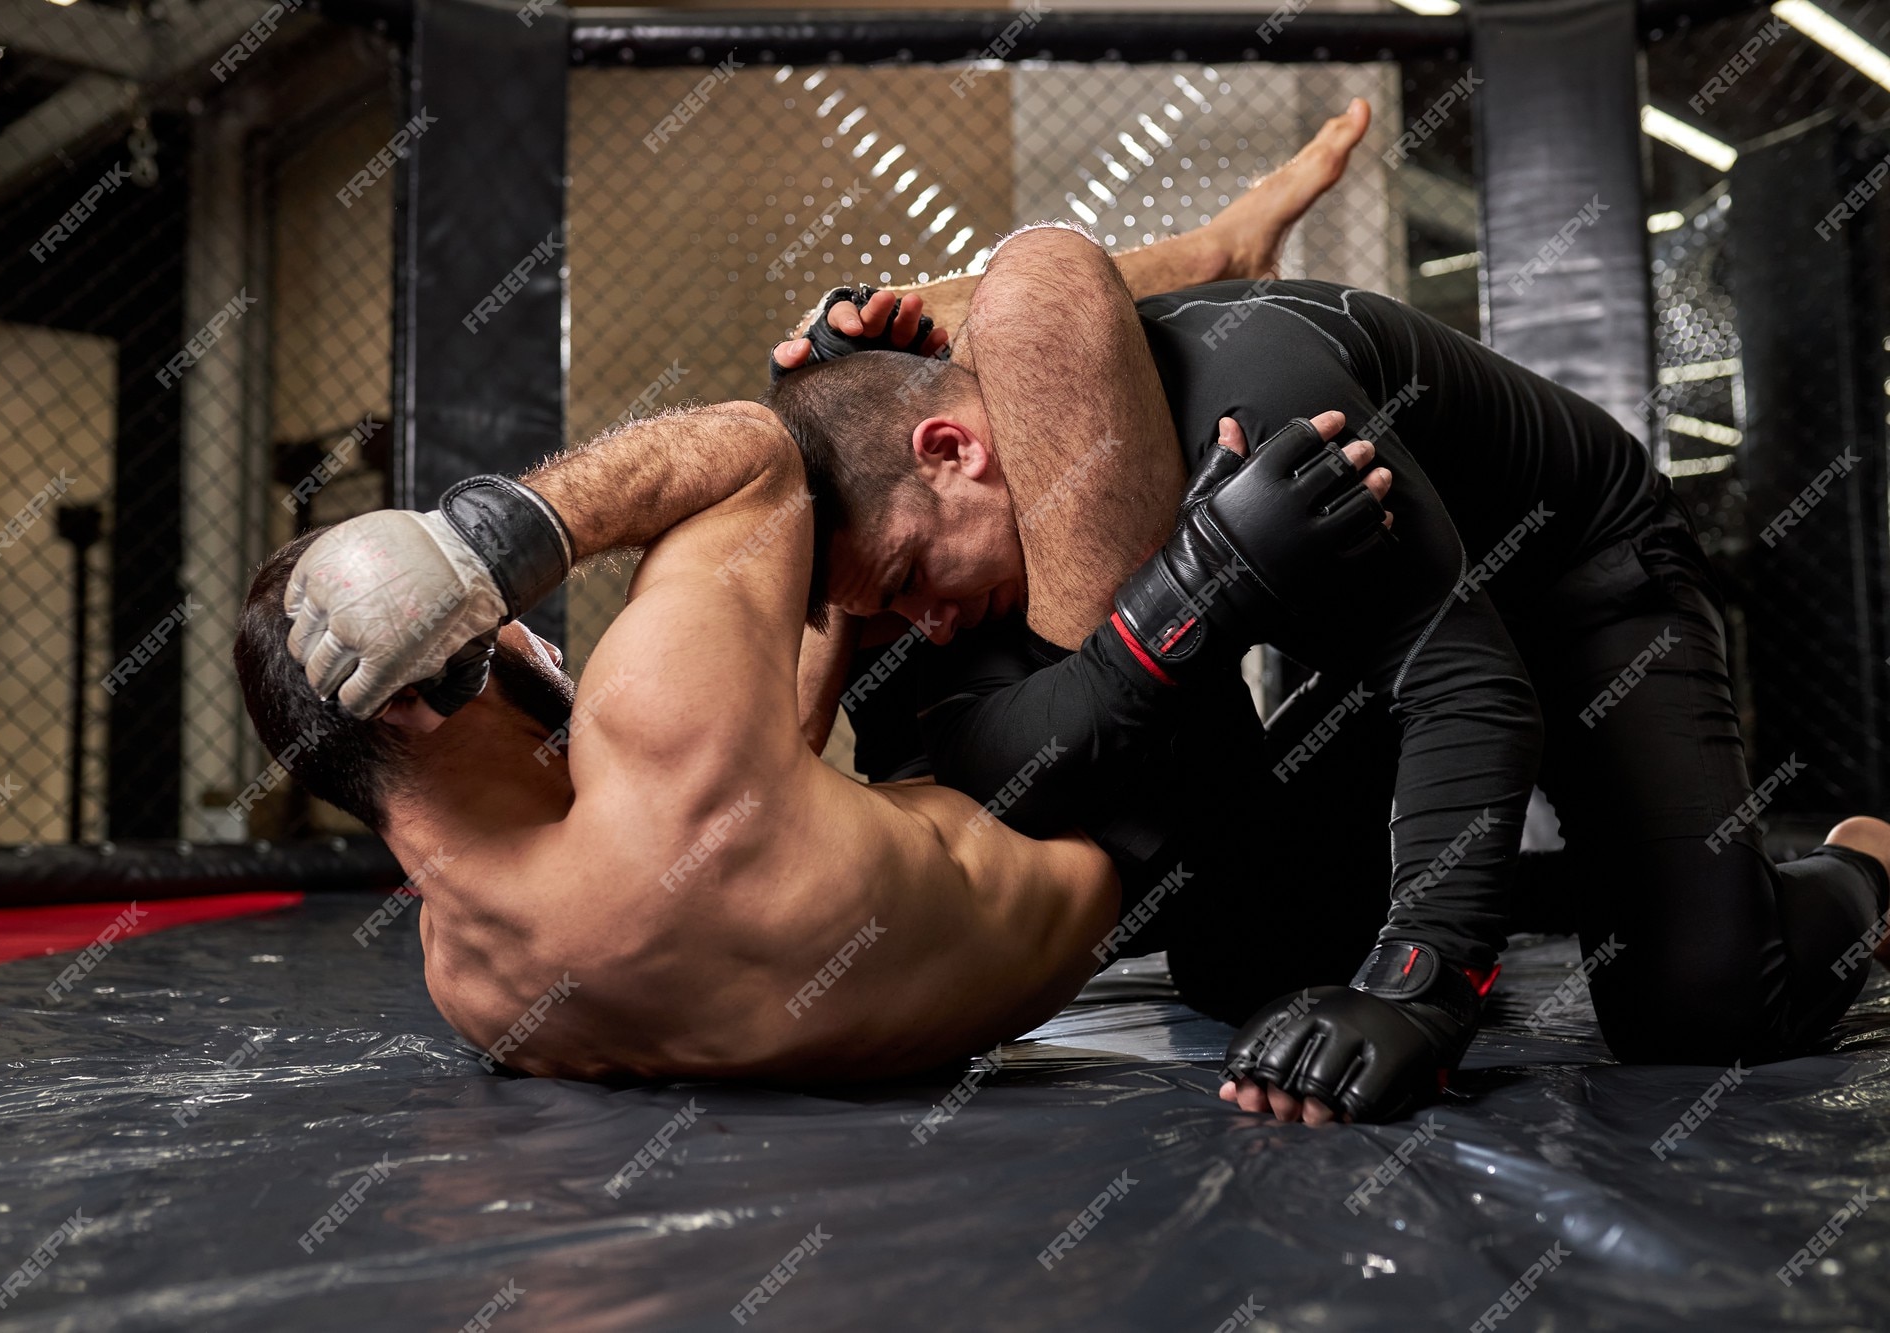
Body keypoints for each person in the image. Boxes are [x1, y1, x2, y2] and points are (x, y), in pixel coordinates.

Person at [237, 117, 1393, 1081]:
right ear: (417, 685)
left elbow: (765, 759)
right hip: (1130, 797)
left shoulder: (469, 982)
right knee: (1030, 288)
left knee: (854, 445)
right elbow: (746, 454)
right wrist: (485, 541)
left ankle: (944, 371)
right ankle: (1216, 252)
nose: (527, 637)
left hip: (955, 808)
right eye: (481, 628)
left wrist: (838, 446)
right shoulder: (653, 738)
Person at [761, 214, 1890, 1126]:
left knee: (1699, 1010)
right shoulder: (1012, 514)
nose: (930, 619)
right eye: (893, 606)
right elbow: (983, 758)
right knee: (1245, 959)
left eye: (913, 572)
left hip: (1575, 577)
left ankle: (1861, 866)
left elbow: (1470, 685)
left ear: (952, 450)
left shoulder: (1261, 405)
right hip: (1376, 628)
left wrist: (1419, 983)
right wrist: (1187, 590)